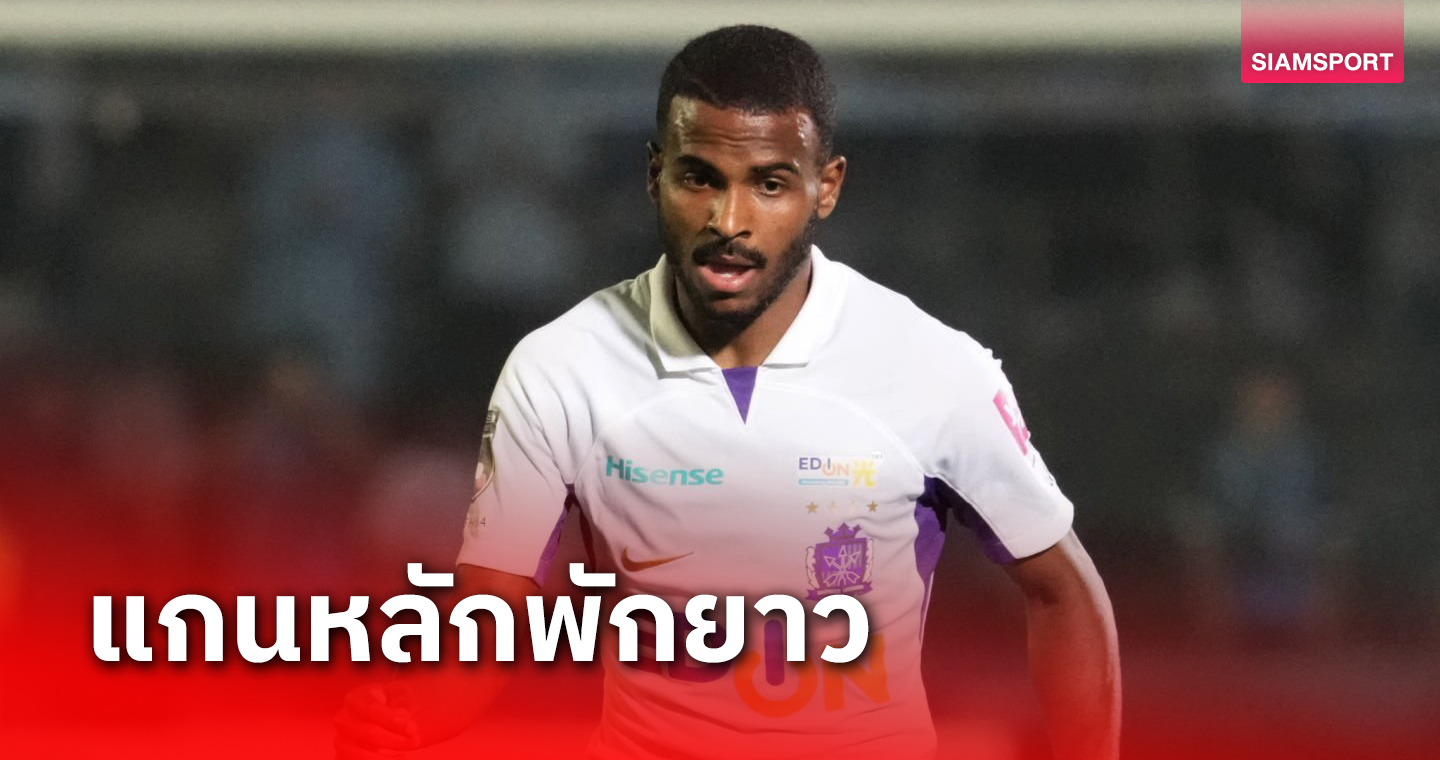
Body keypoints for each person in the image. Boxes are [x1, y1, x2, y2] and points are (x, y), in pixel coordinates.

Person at [335, 25, 1120, 760]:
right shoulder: (561, 367)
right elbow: (492, 613)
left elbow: (1062, 592)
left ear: (826, 187)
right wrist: (404, 717)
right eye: (699, 179)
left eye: (769, 184)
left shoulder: (931, 367)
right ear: (655, 175)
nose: (729, 220)